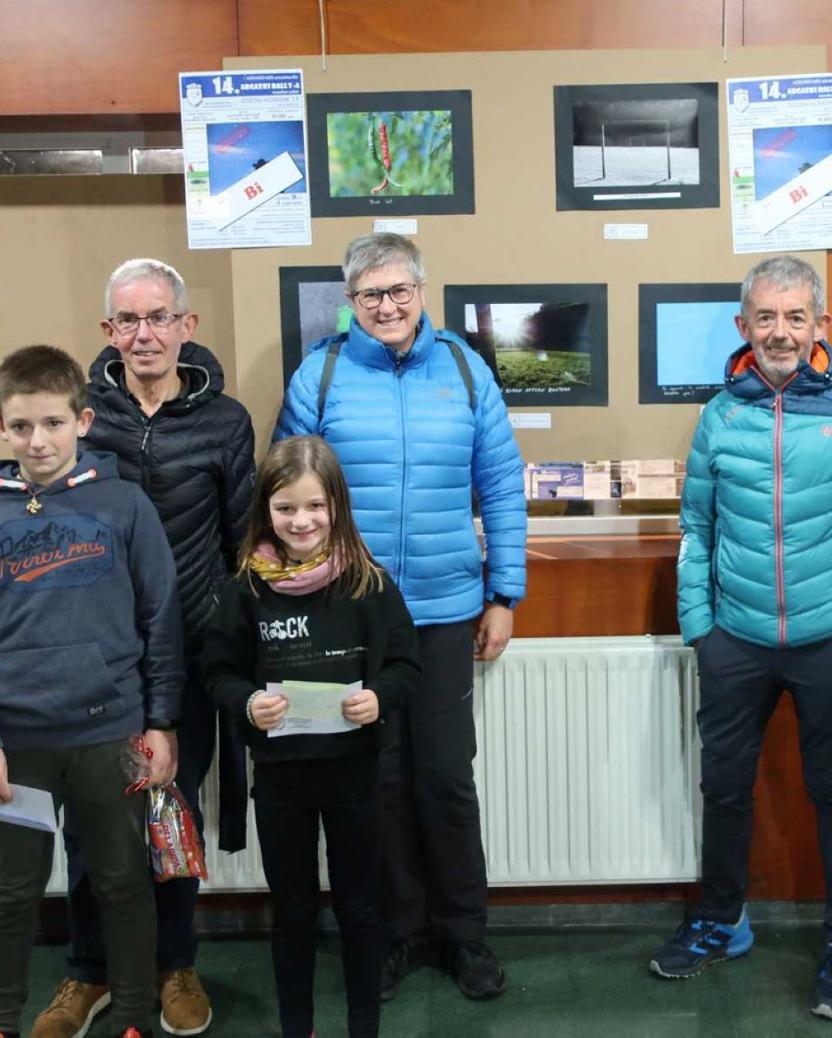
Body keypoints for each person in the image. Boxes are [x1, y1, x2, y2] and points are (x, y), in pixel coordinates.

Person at [0, 259, 255, 1037]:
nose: (143, 333)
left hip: (182, 655)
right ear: (108, 333)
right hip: (79, 676)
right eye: (126, 320)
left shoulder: (226, 420)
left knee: (164, 819)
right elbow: (24, 487)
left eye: (158, 317)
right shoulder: (85, 408)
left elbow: (244, 533)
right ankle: (89, 972)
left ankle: (173, 966)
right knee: (90, 836)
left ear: (186, 325)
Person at [648, 256, 832, 1021]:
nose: (781, 332)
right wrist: (700, 628)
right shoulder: (719, 417)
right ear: (743, 327)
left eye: (796, 317)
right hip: (735, 640)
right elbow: (695, 527)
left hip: (830, 641)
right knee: (724, 788)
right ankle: (723, 922)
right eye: (765, 317)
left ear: (820, 326)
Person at [273, 233, 527, 1001]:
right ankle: (392, 932)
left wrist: (504, 595)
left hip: (449, 611)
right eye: (369, 295)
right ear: (349, 302)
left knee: (446, 779)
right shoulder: (320, 374)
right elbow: (286, 495)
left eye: (398, 291)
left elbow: (503, 485)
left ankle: (464, 936)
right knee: (375, 783)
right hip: (353, 616)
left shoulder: (462, 368)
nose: (386, 306)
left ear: (422, 293)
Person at [0, 345, 184, 1038]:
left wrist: (161, 722)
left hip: (111, 736)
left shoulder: (125, 504)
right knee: (10, 892)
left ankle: (132, 1013)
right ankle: (0, 1022)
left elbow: (161, 619)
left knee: (123, 882)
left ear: (83, 419)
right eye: (21, 426)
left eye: (51, 423)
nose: (38, 441)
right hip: (16, 745)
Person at [202, 435, 421, 1038]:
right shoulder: (246, 589)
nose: (302, 521)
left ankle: (363, 1028)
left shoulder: (368, 583)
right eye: (286, 508)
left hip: (355, 775)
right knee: (292, 914)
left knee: (360, 910)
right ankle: (298, 1028)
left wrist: (380, 698)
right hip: (280, 782)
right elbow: (217, 673)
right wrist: (248, 703)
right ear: (265, 513)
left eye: (315, 506)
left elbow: (407, 666)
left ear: (337, 508)